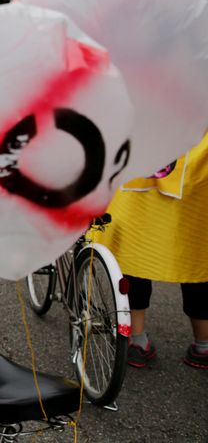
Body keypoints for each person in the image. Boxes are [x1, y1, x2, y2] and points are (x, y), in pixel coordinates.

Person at [94, 133, 208, 370]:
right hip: (196, 169)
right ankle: (203, 345)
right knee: (196, 257)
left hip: (143, 166)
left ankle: (137, 341)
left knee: (134, 251)